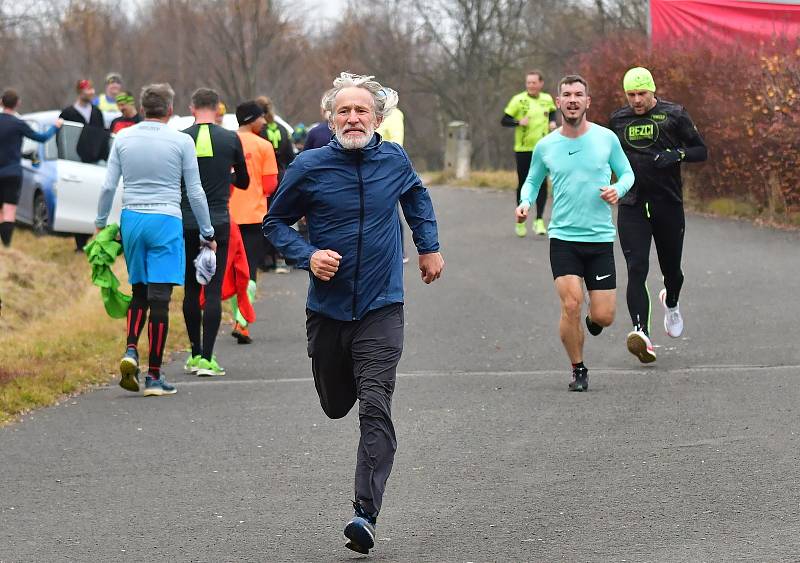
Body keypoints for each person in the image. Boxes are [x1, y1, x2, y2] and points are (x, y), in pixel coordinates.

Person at [263, 72, 444, 555]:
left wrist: (429, 248)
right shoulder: (309, 166)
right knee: (336, 402)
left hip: (382, 306)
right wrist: (307, 255)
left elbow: (417, 198)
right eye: (344, 110)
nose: (353, 118)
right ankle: (335, 389)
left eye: (361, 110)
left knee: (375, 405)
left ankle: (365, 514)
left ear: (378, 117)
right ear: (330, 118)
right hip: (327, 309)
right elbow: (274, 222)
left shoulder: (394, 159)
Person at [95, 83, 216, 397]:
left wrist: (99, 223)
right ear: (171, 109)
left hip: (132, 217)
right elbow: (195, 191)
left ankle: (131, 349)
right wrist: (208, 232)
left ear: (143, 107)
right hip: (166, 218)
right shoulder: (181, 141)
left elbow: (108, 187)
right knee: (160, 297)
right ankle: (154, 376)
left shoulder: (123, 138)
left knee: (139, 290)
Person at [515, 75, 634, 392]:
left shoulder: (606, 138)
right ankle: (578, 369)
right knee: (571, 305)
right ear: (558, 102)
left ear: (587, 102)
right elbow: (532, 181)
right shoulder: (546, 146)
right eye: (566, 94)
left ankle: (594, 322)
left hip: (599, 238)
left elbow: (627, 173)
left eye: (578, 94)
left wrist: (617, 189)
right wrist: (526, 202)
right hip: (563, 237)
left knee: (604, 316)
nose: (572, 99)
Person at [609, 67, 708, 363]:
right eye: (631, 95)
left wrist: (675, 155)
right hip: (632, 204)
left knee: (671, 271)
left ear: (653, 91)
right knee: (636, 267)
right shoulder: (618, 119)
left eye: (642, 94)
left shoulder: (675, 114)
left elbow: (700, 151)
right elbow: (603, 152)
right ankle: (641, 333)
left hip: (667, 203)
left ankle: (672, 301)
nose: (637, 100)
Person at [180, 88, 249, 377]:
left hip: (185, 221)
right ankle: (208, 358)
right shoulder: (230, 138)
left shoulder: (181, 137)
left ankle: (194, 354)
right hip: (219, 220)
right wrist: (225, 175)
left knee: (190, 287)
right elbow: (244, 181)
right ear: (218, 109)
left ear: (192, 107)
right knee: (212, 287)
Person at [228, 100, 278, 343]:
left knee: (228, 271)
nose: (264, 122)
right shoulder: (264, 146)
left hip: (226, 215)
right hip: (254, 216)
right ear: (252, 119)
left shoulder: (226, 141)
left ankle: (234, 313)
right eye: (261, 118)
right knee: (249, 270)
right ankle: (242, 321)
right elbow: (270, 185)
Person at [0, 89, 62, 247]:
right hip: (13, 173)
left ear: (1, 102)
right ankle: (6, 245)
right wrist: (55, 127)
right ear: (18, 104)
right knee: (9, 210)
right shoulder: (19, 124)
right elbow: (41, 138)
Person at [503, 70, 557, 237]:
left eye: (534, 82)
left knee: (542, 183)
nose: (531, 86)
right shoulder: (518, 100)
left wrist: (553, 122)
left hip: (543, 148)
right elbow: (504, 120)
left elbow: (553, 111)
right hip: (523, 149)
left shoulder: (547, 99)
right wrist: (518, 122)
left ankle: (539, 220)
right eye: (528, 83)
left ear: (541, 83)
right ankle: (521, 220)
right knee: (524, 183)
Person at [61, 78, 108, 251]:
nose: (91, 92)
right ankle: (80, 243)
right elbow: (63, 136)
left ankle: (98, 239)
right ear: (80, 92)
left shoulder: (96, 112)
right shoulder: (68, 112)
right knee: (79, 200)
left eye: (92, 89)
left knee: (95, 201)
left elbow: (103, 136)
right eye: (88, 90)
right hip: (75, 163)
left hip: (95, 163)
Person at [255, 95, 294, 273]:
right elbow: (289, 156)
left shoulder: (257, 130)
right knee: (280, 217)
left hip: (263, 177)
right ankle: (281, 256)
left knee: (265, 216)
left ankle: (266, 258)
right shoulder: (281, 129)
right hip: (281, 175)